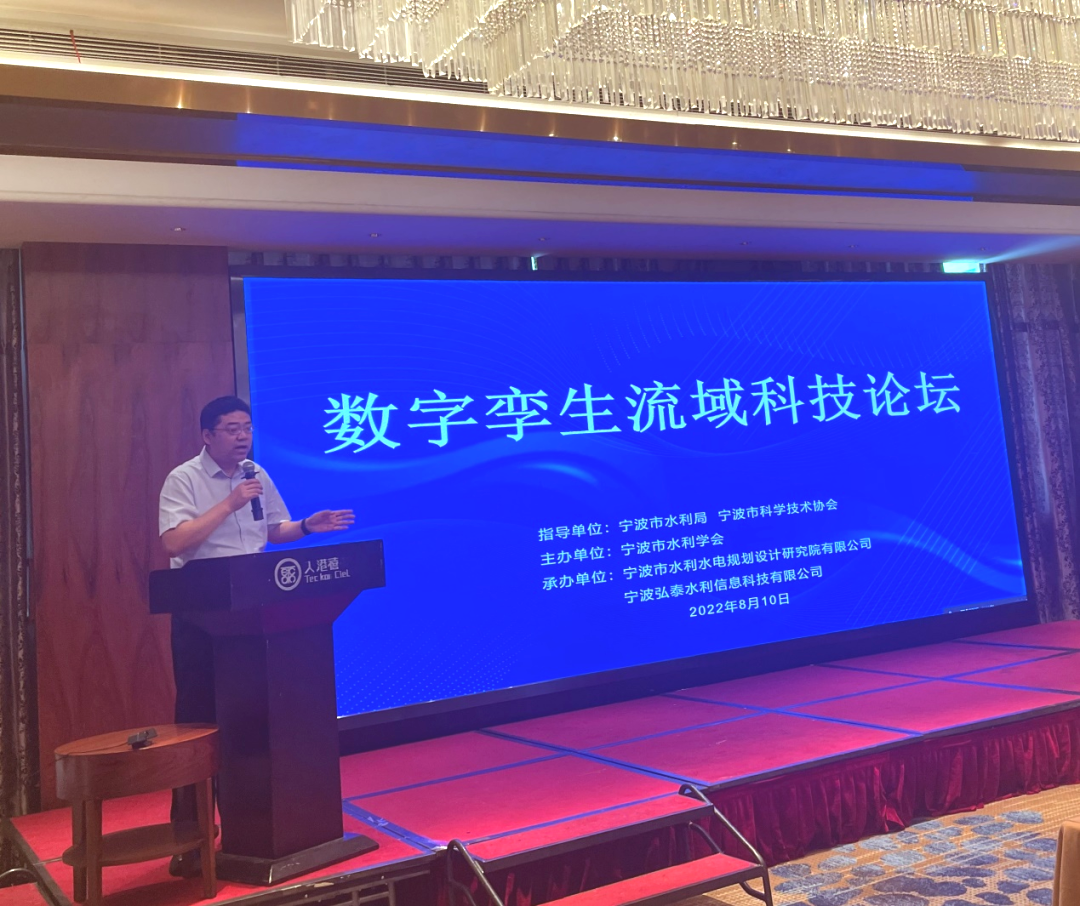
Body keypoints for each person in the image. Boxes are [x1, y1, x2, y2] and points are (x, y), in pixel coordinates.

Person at [158, 395, 354, 876]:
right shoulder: (184, 478)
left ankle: (265, 828)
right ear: (207, 435)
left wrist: (306, 526)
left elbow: (271, 531)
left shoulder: (255, 473)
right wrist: (229, 502)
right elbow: (175, 542)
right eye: (231, 428)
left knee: (253, 720)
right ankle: (190, 836)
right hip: (203, 614)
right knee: (199, 723)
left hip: (255, 611)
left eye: (246, 427)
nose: (242, 436)